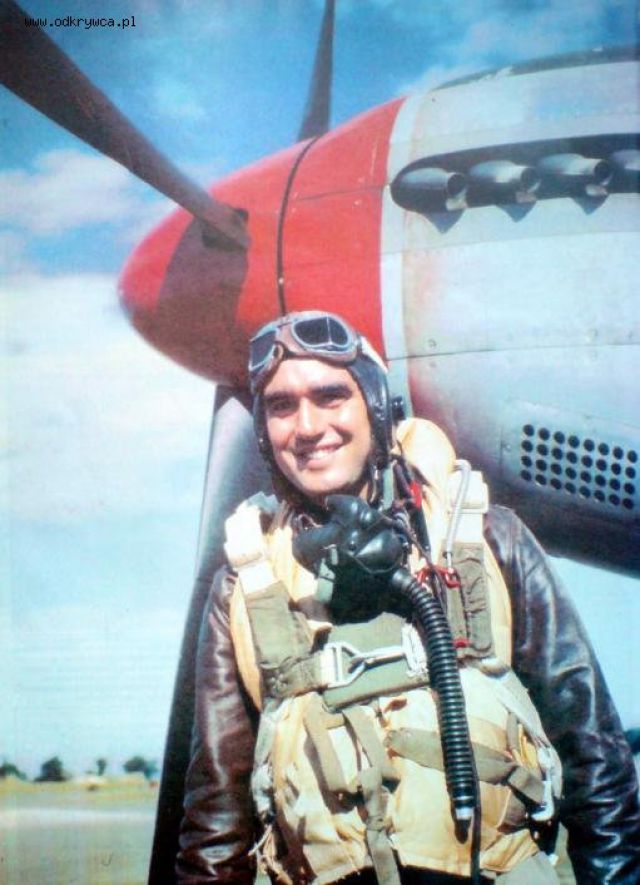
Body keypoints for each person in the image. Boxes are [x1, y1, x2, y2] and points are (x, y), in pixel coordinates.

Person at [176, 311, 640, 884]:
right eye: (281, 406)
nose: (307, 426)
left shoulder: (487, 540)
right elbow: (216, 820)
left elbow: (597, 766)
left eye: (330, 396)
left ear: (376, 407)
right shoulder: (245, 585)